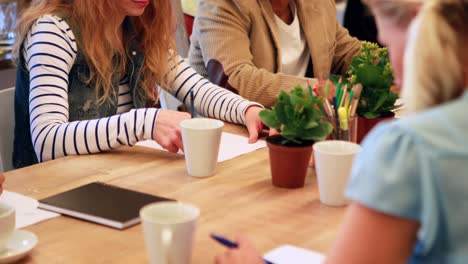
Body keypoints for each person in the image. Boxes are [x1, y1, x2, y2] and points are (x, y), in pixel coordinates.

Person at [215, 0, 468, 263]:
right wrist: (323, 88)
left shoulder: (408, 149)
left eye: (390, 45)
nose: (393, 61)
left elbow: (346, 50)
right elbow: (240, 77)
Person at [12, 0, 266, 169]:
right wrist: (147, 122)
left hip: (112, 180)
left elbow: (196, 89)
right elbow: (47, 142)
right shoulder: (53, 30)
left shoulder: (137, 26)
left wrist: (248, 110)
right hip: (52, 194)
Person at [188, 0, 361, 107]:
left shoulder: (317, 3)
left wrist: (383, 63)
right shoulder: (223, 3)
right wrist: (314, 90)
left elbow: (346, 50)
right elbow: (236, 79)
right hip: (230, 137)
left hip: (299, 129)